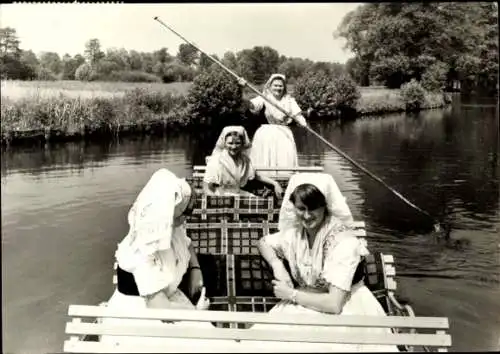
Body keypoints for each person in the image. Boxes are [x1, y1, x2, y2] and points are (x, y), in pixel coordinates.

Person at [252, 172, 399, 352]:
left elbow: (334, 304)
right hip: (306, 302)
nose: (306, 216)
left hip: (346, 310)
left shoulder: (343, 242)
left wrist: (290, 294)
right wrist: (277, 265)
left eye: (313, 208)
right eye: (301, 208)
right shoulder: (295, 234)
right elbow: (263, 242)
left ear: (325, 206)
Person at [100, 168, 214, 346]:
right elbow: (159, 309)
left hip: (168, 301)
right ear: (170, 212)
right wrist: (198, 315)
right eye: (186, 213)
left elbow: (187, 244)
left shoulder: (171, 229)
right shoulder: (143, 249)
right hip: (143, 317)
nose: (188, 218)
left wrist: (195, 269)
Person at [238, 73, 309, 173]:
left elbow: (297, 115)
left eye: (280, 85)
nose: (278, 88)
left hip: (284, 133)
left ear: (284, 87)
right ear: (270, 86)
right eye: (275, 85)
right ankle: (264, 180)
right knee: (265, 160)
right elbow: (249, 105)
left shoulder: (290, 100)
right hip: (266, 133)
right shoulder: (264, 97)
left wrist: (303, 123)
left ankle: (284, 179)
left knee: (284, 158)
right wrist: (243, 89)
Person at [203, 125, 283, 198]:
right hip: (221, 195)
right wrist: (214, 201)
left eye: (237, 143)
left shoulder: (244, 160)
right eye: (230, 143)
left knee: (260, 203)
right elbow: (206, 187)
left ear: (242, 144)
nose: (234, 147)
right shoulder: (217, 160)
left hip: (238, 193)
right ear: (224, 143)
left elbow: (257, 176)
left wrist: (275, 183)